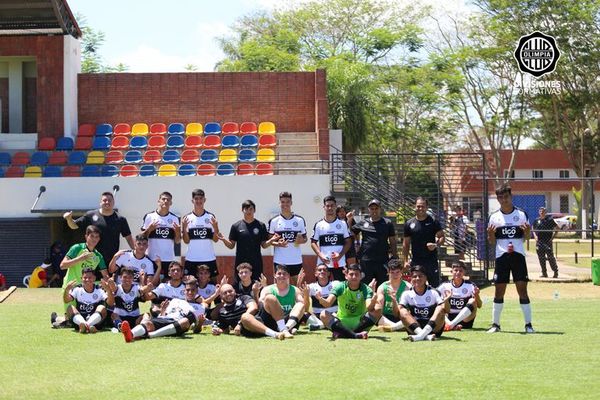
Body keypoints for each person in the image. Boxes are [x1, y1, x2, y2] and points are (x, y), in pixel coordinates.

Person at [487, 183, 534, 333]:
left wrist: (527, 232)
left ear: (511, 196)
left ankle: (528, 325)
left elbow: (526, 238)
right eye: (500, 197)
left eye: (505, 197)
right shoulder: (494, 217)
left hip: (518, 257)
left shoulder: (521, 215)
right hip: (502, 257)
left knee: (522, 290)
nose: (503, 200)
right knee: (499, 291)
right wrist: (490, 234)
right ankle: (496, 325)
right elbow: (492, 241)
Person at [63, 192, 134, 280]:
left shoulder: (120, 219)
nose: (107, 202)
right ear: (100, 202)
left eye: (109, 200)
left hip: (110, 261)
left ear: (114, 202)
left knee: (108, 286)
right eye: (104, 200)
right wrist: (69, 219)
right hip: (91, 259)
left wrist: (136, 253)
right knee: (88, 285)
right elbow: (74, 225)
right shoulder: (90, 215)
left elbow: (129, 238)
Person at [51, 226, 108, 328]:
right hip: (71, 287)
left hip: (86, 289)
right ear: (86, 236)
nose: (94, 239)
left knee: (82, 317)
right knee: (71, 319)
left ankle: (58, 319)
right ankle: (58, 319)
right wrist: (80, 258)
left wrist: (110, 284)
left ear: (99, 239)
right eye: (92, 236)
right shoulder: (77, 248)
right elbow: (62, 265)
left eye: (97, 237)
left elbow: (105, 275)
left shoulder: (98, 256)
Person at [121, 276, 206, 342]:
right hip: (166, 319)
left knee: (185, 321)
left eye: (193, 290)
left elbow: (196, 330)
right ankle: (130, 334)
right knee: (148, 323)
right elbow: (163, 316)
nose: (190, 292)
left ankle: (150, 335)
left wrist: (200, 323)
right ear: (184, 291)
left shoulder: (199, 307)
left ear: (197, 291)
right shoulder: (175, 301)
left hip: (179, 324)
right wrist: (163, 310)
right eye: (188, 290)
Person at [316, 263, 380, 339]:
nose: (354, 277)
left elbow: (369, 308)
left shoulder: (366, 289)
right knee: (323, 314)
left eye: (356, 274)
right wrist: (321, 299)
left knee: (378, 309)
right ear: (346, 276)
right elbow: (327, 304)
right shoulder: (340, 287)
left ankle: (344, 333)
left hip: (360, 322)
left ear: (360, 276)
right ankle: (355, 335)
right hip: (341, 322)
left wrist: (373, 301)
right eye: (351, 274)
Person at [240, 264, 304, 340]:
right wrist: (256, 294)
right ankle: (275, 334)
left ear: (288, 276)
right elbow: (260, 307)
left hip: (287, 321)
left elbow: (304, 308)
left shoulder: (295, 290)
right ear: (275, 275)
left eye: (284, 274)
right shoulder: (267, 289)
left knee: (300, 304)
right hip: (268, 321)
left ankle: (285, 329)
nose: (281, 276)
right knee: (245, 317)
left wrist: (305, 294)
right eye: (279, 273)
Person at [219, 200, 272, 281]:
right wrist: (224, 240)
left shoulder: (261, 225)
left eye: (251, 209)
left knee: (257, 284)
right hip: (241, 262)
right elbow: (231, 246)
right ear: (242, 210)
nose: (248, 211)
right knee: (240, 285)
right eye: (246, 209)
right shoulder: (236, 226)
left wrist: (272, 240)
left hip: (256, 261)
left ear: (254, 210)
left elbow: (264, 245)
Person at [352, 199, 398, 286]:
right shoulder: (363, 222)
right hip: (366, 260)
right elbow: (351, 233)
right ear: (368, 210)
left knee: (383, 286)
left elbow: (392, 240)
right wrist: (357, 244)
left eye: (376, 208)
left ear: (380, 209)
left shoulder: (387, 223)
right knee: (366, 286)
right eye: (372, 208)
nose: (374, 210)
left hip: (382, 260)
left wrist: (395, 256)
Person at [403, 197, 445, 287]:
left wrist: (435, 245)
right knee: (416, 287)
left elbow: (442, 237)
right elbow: (406, 244)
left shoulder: (433, 221)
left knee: (435, 287)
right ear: (414, 207)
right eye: (418, 206)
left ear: (426, 207)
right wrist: (405, 261)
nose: (420, 209)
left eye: (422, 206)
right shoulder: (409, 223)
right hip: (416, 261)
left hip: (431, 261)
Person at [398, 265, 448, 341]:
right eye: (414, 276)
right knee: (402, 310)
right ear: (411, 279)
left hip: (434, 328)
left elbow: (446, 310)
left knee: (440, 307)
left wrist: (446, 300)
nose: (417, 278)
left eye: (420, 276)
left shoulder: (433, 292)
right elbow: (397, 313)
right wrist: (394, 304)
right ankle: (425, 336)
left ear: (425, 278)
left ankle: (420, 336)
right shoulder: (406, 293)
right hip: (414, 328)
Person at [267, 191, 308, 284]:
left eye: (287, 201)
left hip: (296, 260)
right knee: (280, 286)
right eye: (282, 202)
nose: (285, 204)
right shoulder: (274, 221)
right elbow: (269, 240)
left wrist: (300, 241)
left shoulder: (299, 220)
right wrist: (278, 244)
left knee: (298, 286)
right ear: (279, 203)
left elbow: (305, 238)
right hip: (280, 260)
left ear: (291, 203)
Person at [182, 189, 221, 280]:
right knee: (190, 288)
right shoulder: (187, 218)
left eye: (201, 198)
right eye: (196, 198)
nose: (198, 201)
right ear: (192, 200)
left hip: (208, 258)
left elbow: (215, 239)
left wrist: (216, 228)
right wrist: (184, 228)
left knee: (212, 285)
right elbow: (186, 241)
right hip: (192, 258)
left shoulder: (210, 217)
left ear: (204, 200)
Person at [311, 196, 352, 281]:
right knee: (322, 289)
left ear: (335, 206)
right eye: (327, 206)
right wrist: (320, 255)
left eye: (332, 205)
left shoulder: (343, 224)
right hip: (323, 264)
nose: (330, 208)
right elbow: (313, 242)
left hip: (339, 263)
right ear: (324, 207)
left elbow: (348, 242)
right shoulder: (318, 224)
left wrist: (340, 255)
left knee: (341, 289)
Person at [141, 191, 181, 279]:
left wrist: (177, 232)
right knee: (151, 284)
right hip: (152, 258)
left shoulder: (174, 218)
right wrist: (149, 229)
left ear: (171, 203)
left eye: (168, 200)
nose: (165, 201)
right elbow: (141, 238)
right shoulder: (149, 216)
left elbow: (177, 241)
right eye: (163, 199)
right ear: (158, 201)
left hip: (168, 258)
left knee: (167, 284)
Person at [63, 268, 115, 333]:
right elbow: (66, 300)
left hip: (96, 322)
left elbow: (110, 303)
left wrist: (108, 290)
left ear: (94, 278)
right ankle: (86, 326)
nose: (87, 280)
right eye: (85, 278)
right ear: (81, 278)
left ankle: (86, 325)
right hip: (80, 321)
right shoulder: (77, 289)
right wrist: (67, 290)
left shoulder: (99, 289)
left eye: (90, 277)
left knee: (102, 308)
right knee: (70, 308)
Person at [437, 261, 482, 331]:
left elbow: (479, 305)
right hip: (449, 317)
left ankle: (451, 325)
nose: (458, 272)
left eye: (460, 271)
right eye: (455, 270)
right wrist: (445, 299)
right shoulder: (444, 285)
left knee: (473, 301)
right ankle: (452, 325)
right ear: (451, 271)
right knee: (438, 303)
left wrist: (476, 295)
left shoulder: (470, 285)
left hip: (465, 318)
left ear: (464, 272)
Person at [373, 258, 411, 332]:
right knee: (372, 312)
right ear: (388, 272)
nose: (395, 275)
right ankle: (398, 327)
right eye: (392, 272)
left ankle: (392, 328)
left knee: (414, 315)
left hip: (402, 316)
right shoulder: (382, 287)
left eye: (397, 272)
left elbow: (411, 308)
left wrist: (394, 301)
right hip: (386, 318)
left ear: (402, 272)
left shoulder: (408, 287)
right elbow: (379, 307)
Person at [300, 264, 339, 331]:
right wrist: (306, 295)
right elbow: (306, 309)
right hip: (317, 317)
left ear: (328, 273)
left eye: (324, 270)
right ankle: (325, 325)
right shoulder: (311, 287)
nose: (322, 271)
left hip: (333, 314)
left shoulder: (336, 284)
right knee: (303, 314)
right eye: (319, 270)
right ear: (315, 274)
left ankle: (321, 325)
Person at [532, 206, 559, 278]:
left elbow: (557, 228)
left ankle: (555, 271)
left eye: (543, 211)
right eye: (540, 211)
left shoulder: (549, 220)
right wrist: (535, 236)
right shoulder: (537, 220)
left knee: (550, 257)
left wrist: (552, 238)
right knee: (541, 258)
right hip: (539, 242)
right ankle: (544, 273)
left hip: (547, 241)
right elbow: (533, 227)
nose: (541, 212)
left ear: (545, 212)